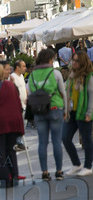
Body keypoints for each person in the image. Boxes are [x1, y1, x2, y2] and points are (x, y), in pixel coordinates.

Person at [28, 49, 67, 180]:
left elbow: (29, 94)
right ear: (50, 60)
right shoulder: (55, 73)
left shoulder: (32, 75)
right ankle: (59, 171)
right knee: (56, 141)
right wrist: (66, 110)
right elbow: (63, 92)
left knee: (42, 142)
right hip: (55, 108)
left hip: (39, 111)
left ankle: (44, 172)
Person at [0, 64, 24, 188]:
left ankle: (5, 180)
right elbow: (18, 105)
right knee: (11, 151)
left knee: (0, 153)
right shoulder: (11, 85)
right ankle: (15, 176)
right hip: (13, 123)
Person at [62, 51, 93, 176]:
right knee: (65, 138)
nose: (73, 63)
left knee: (86, 140)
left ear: (83, 63)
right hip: (71, 111)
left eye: (76, 61)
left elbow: (92, 96)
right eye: (73, 60)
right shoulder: (72, 75)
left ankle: (88, 166)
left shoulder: (89, 77)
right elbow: (66, 91)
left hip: (83, 111)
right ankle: (76, 164)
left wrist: (89, 113)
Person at [10, 60, 27, 151]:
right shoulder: (13, 77)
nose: (25, 68)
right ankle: (17, 142)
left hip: (24, 104)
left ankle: (18, 141)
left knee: (24, 123)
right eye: (23, 66)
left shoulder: (21, 76)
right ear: (18, 67)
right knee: (20, 124)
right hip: (17, 106)